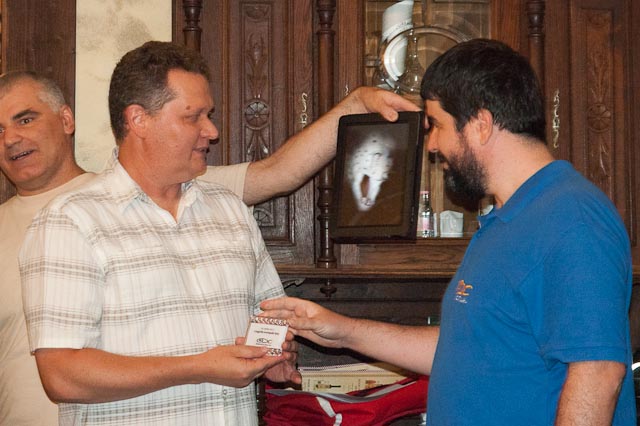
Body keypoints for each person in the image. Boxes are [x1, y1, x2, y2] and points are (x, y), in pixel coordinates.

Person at [4, 42, 418, 425]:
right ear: (138, 120)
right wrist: (200, 366)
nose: (212, 131)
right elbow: (62, 375)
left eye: (209, 114)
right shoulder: (70, 221)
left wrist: (273, 352)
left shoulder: (229, 209)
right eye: (192, 117)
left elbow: (269, 318)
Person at [261, 38, 636, 425]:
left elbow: (598, 375)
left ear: (481, 125)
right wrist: (341, 332)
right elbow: (462, 348)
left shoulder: (572, 219)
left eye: (438, 125)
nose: (433, 145)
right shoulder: (504, 220)